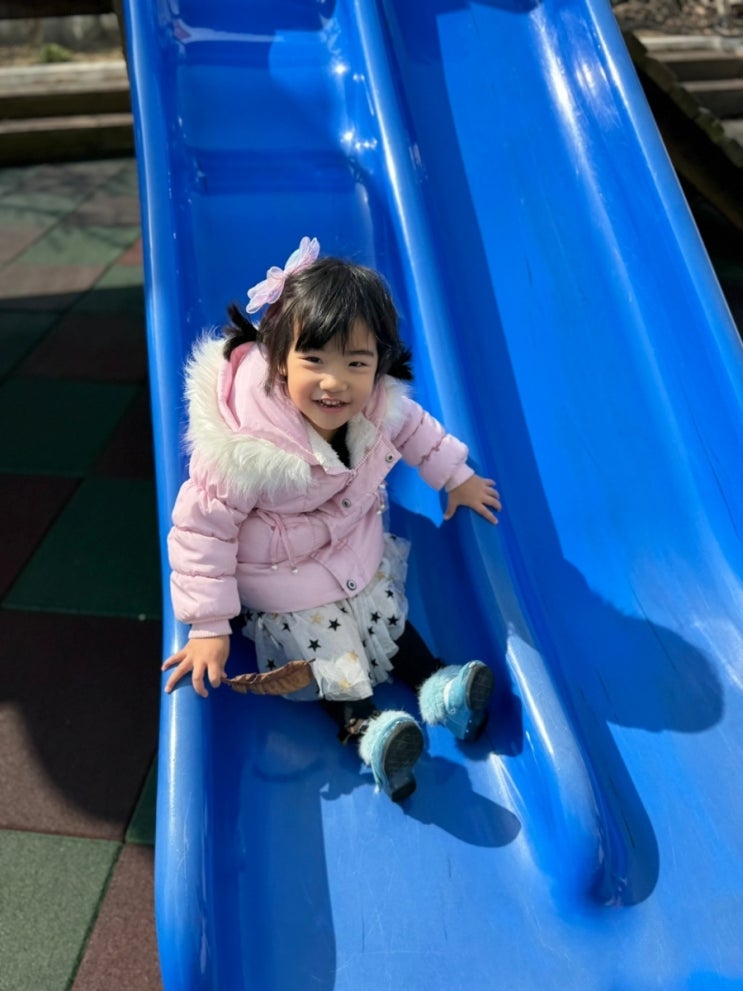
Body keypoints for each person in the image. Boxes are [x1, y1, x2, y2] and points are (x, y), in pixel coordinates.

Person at [163, 236, 502, 801]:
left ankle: (438, 687)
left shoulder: (377, 404)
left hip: (351, 552)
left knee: (384, 618)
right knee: (331, 650)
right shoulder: (247, 448)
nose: (334, 382)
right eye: (314, 360)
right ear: (279, 358)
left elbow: (416, 429)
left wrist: (455, 475)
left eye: (356, 363)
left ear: (379, 364)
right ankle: (369, 731)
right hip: (284, 580)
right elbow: (202, 530)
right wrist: (208, 626)